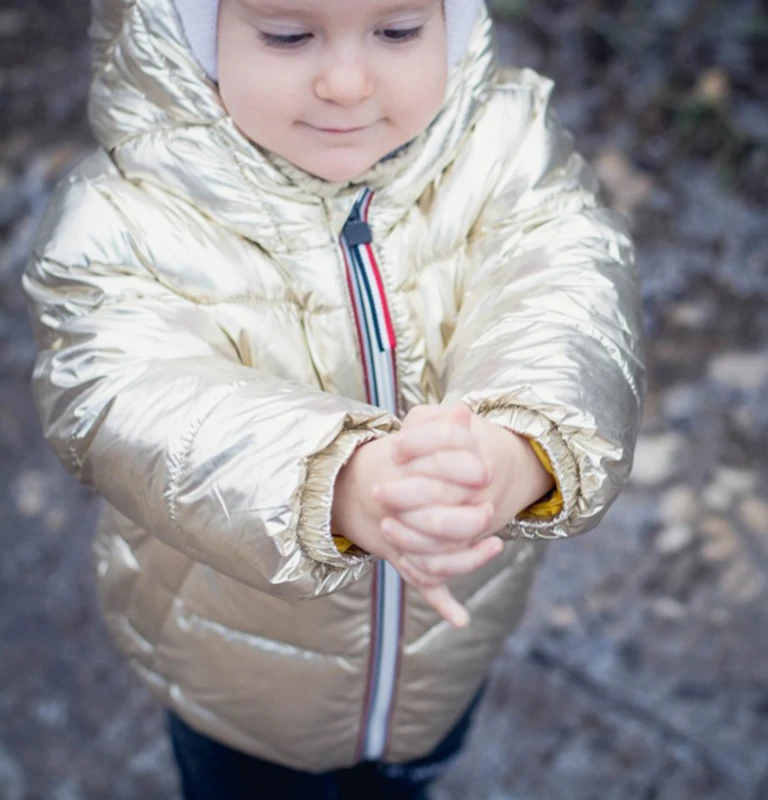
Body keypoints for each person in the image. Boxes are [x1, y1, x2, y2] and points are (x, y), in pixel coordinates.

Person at [21, 0, 645, 797]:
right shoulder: (123, 218)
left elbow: (570, 283)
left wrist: (512, 450)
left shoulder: (503, 143)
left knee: (410, 777)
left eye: (398, 31)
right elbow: (115, 393)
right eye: (287, 34)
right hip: (242, 687)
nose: (348, 83)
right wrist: (340, 480)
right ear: (187, 29)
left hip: (441, 664)